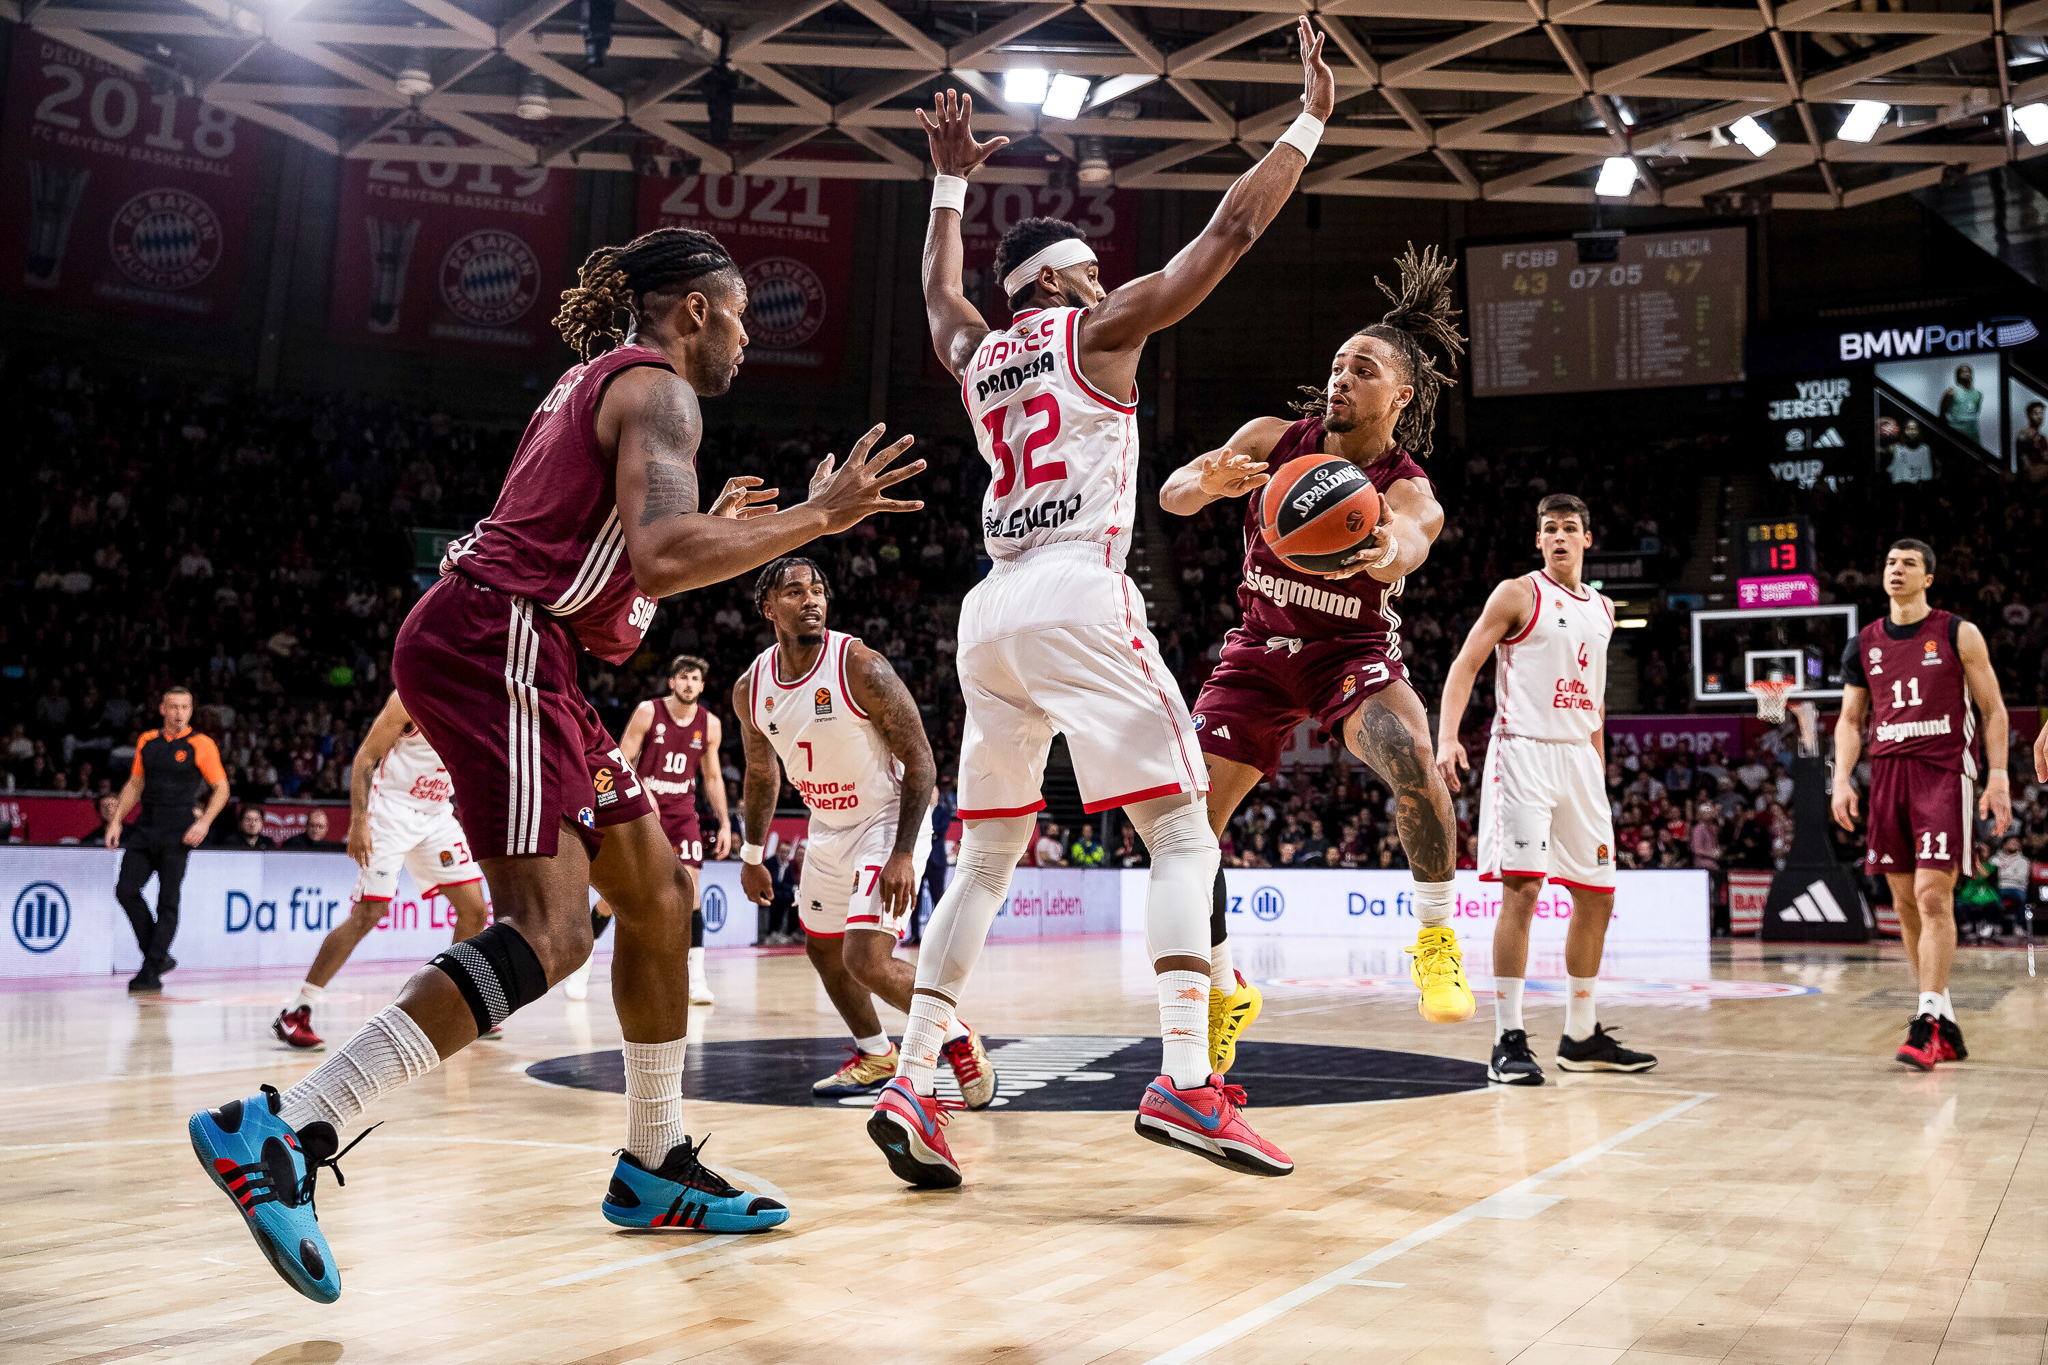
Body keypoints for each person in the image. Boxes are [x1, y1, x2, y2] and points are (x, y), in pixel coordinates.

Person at [188, 225, 925, 1304]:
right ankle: (288, 1131)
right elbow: (662, 557)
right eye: (739, 316)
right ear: (691, 311)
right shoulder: (661, 390)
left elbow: (634, 573)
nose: (746, 341)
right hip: (503, 641)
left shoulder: (598, 383)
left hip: (540, 650)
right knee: (550, 929)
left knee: (661, 894)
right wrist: (820, 516)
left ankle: (653, 1162)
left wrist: (709, 532)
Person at [868, 22, 1331, 1190]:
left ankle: (915, 1078)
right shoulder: (1099, 327)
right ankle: (1184, 1075)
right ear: (1065, 281)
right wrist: (1307, 119)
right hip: (1076, 585)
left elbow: (935, 293)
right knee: (1179, 828)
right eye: (1085, 264)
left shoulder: (975, 356)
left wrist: (946, 183)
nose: (1096, 271)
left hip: (991, 614)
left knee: (981, 862)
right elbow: (1227, 232)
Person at [1158, 246, 1475, 1078]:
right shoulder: (1273, 439)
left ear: (1398, 395)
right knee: (1183, 828)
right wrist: (1210, 483)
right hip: (1258, 653)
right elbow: (1171, 493)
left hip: (1348, 652)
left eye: (1361, 368)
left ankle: (1437, 936)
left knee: (1411, 757)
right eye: (1336, 365)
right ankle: (1227, 988)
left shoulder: (1404, 485)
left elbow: (1410, 539)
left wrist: (1380, 551)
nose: (1339, 378)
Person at [734, 558, 994, 1106]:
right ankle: (876, 1053)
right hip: (827, 824)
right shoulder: (751, 687)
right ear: (768, 609)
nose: (811, 600)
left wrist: (903, 852)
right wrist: (752, 853)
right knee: (823, 950)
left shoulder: (858, 665)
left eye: (818, 590)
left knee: (864, 959)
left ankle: (957, 1035)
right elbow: (762, 771)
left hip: (887, 819)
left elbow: (922, 760)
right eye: (795, 592)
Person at [1436, 494, 1657, 1085]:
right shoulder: (1518, 593)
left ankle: (1581, 1035)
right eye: (1549, 529)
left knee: (1598, 896)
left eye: (1570, 528)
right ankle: (1508, 1036)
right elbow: (1466, 663)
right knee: (1524, 892)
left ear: (1588, 539)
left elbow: (1599, 702)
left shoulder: (1606, 610)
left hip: (1579, 760)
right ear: (1539, 541)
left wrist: (1599, 772)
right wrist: (1448, 738)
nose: (1559, 537)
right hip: (1523, 751)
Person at [1832, 538, 2011, 1070]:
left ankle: (1926, 1020)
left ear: (1928, 578)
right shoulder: (1862, 643)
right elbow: (1848, 720)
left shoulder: (1958, 632)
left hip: (1942, 771)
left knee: (1934, 896)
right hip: (1888, 774)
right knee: (1906, 903)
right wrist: (1841, 778)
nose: (1897, 569)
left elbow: (1994, 709)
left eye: (1909, 563)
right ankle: (1944, 1022)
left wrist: (1997, 775)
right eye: (1889, 562)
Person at [271, 691, 490, 1051]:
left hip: (436, 815)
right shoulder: (410, 698)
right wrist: (358, 821)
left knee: (474, 911)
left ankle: (457, 1004)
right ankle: (296, 1011)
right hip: (391, 812)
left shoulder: (483, 705)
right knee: (368, 913)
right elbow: (364, 760)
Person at [567, 654, 732, 1005]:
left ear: (703, 686)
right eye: (683, 677)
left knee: (689, 890)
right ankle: (581, 969)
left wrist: (725, 821)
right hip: (644, 811)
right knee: (618, 896)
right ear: (672, 682)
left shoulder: (711, 724)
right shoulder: (648, 711)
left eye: (696, 679)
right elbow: (621, 760)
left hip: (684, 814)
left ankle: (697, 980)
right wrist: (643, 793)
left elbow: (713, 777)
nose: (689, 684)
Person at [107, 686, 228, 992]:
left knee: (167, 901)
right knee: (126, 890)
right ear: (162, 708)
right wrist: (116, 821)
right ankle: (158, 956)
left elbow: (222, 788)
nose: (179, 713)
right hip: (146, 826)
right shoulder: (147, 740)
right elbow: (135, 784)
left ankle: (150, 971)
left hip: (179, 830)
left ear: (191, 711)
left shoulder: (201, 743)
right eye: (173, 707)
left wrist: (204, 823)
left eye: (185, 708)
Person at [1940, 363, 1984, 446]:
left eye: (1968, 372)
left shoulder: (1978, 393)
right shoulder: (1951, 392)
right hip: (1957, 431)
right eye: (1963, 372)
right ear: (1958, 375)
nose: (1966, 374)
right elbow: (1942, 413)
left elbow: (1976, 411)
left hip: (1973, 432)